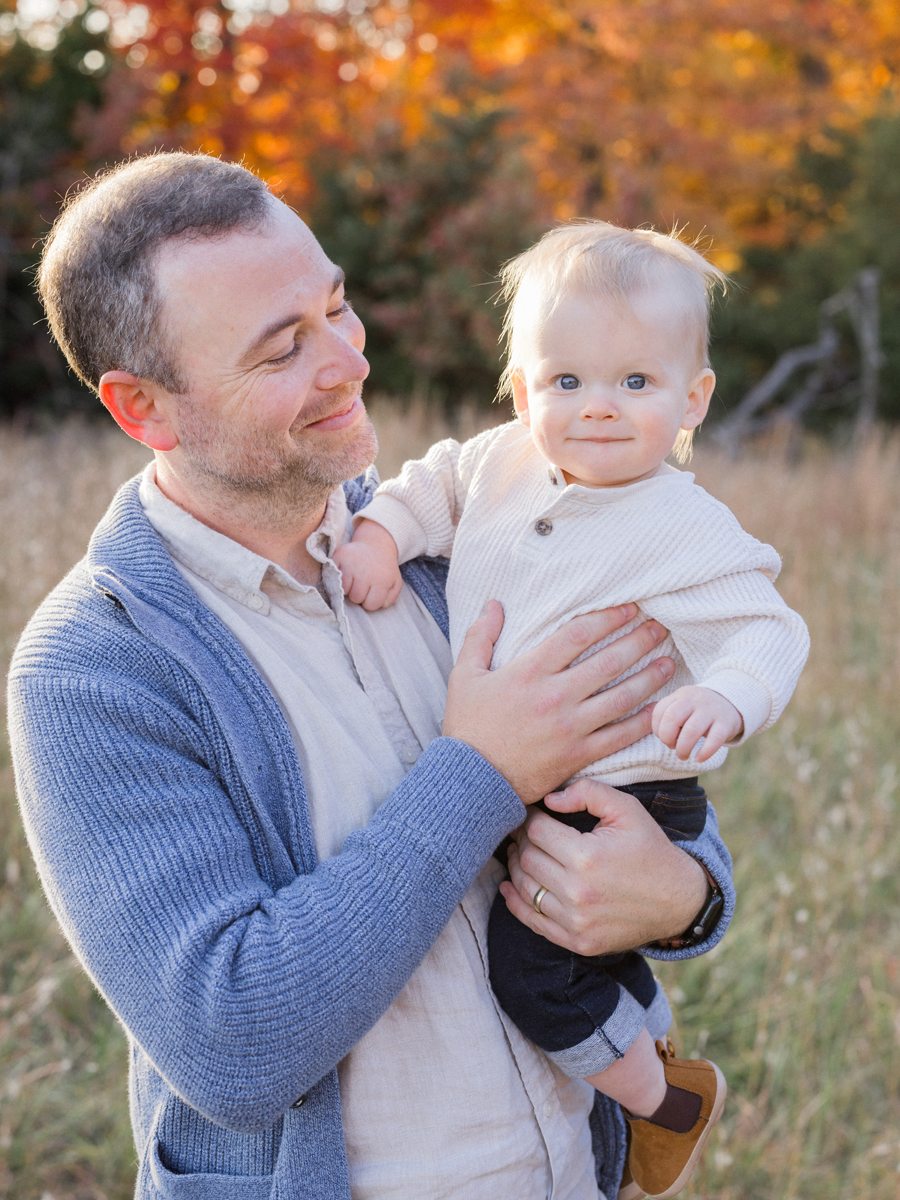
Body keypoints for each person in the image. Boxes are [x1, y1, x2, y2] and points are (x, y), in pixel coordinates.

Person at [8, 154, 734, 1200]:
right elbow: (234, 1046)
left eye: (336, 306)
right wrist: (480, 767)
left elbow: (653, 776)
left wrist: (684, 893)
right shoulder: (96, 668)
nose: (347, 360)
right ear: (145, 410)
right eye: (281, 350)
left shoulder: (460, 543)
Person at [334, 221, 809, 1199]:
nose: (598, 409)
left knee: (533, 971)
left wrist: (728, 695)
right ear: (522, 390)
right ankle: (636, 1026)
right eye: (567, 382)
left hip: (620, 795)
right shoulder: (500, 462)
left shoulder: (684, 524)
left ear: (692, 399)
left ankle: (664, 1103)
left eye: (636, 384)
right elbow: (428, 489)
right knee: (561, 939)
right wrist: (381, 535)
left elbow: (770, 630)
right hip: (517, 782)